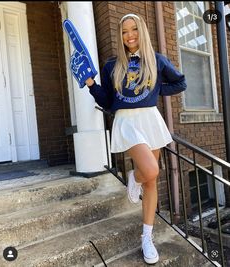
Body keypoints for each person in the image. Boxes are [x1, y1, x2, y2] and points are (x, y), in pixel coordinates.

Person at [70, 13, 187, 265]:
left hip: (150, 119)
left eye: (133, 29)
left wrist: (155, 89)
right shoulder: (113, 65)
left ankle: (147, 237)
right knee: (150, 170)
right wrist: (91, 83)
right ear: (120, 35)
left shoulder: (156, 60)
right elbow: (108, 101)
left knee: (152, 182)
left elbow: (180, 83)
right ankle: (133, 176)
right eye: (124, 31)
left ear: (141, 31)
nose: (129, 35)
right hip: (127, 121)